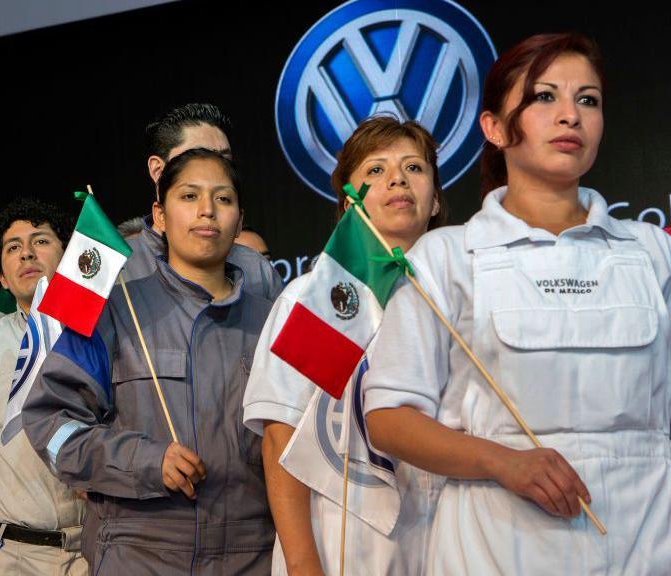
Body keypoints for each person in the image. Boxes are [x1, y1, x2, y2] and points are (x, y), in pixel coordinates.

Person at [363, 33, 671, 574]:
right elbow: (389, 418)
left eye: (588, 100)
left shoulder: (651, 252)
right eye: (545, 97)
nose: (570, 116)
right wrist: (501, 462)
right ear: (495, 127)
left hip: (646, 543)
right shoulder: (448, 256)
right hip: (494, 547)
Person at [22, 148, 275, 574]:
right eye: (189, 196)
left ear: (240, 219)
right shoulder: (117, 311)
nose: (207, 211)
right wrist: (142, 460)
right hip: (138, 553)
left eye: (223, 199)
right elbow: (52, 427)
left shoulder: (273, 321)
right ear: (159, 215)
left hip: (252, 556)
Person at [243, 116, 445, 575]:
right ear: (349, 205)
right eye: (375, 170)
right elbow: (281, 436)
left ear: (435, 201)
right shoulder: (317, 300)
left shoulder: (459, 300)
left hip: (446, 542)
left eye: (414, 167)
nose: (397, 178)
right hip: (339, 547)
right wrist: (302, 562)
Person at [0, 197, 88, 575]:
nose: (27, 254)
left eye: (40, 241)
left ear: (68, 258)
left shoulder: (105, 332)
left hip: (96, 549)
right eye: (13, 247)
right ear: (3, 279)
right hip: (13, 553)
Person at [124, 102, 283, 299]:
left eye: (225, 160)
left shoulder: (257, 271)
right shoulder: (117, 269)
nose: (213, 169)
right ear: (157, 170)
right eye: (197, 156)